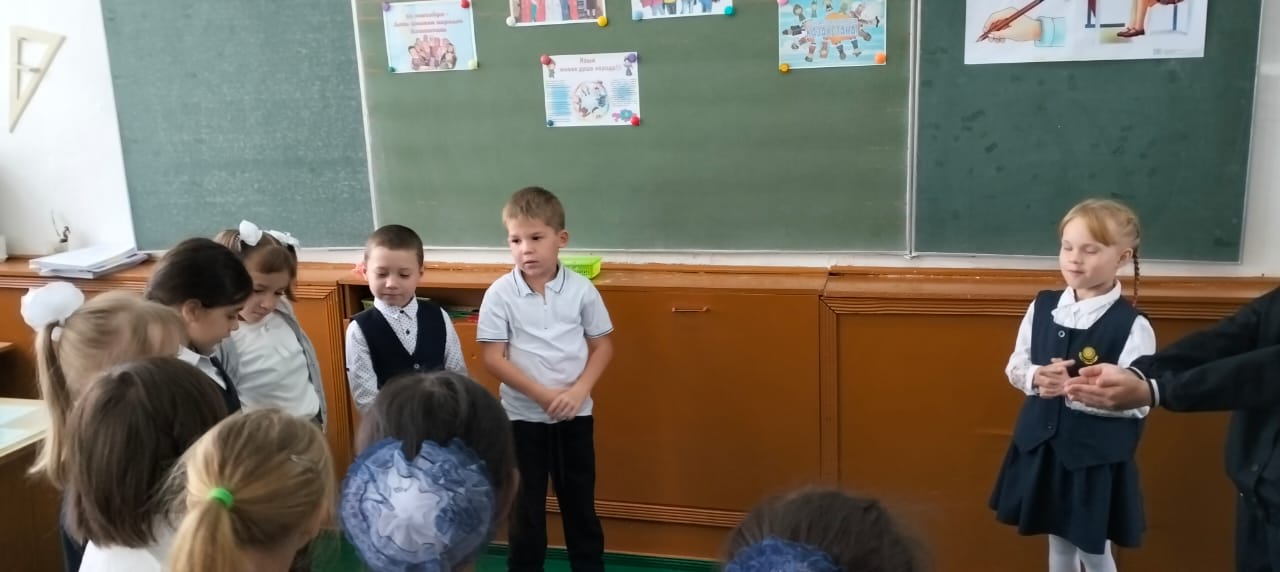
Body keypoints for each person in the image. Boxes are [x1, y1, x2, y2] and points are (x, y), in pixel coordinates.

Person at [989, 198, 1153, 572]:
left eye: (1090, 250)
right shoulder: (1044, 306)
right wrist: (1036, 377)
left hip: (1094, 458)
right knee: (1058, 542)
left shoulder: (1132, 325)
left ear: (1122, 257)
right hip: (1043, 448)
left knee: (1093, 549)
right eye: (1067, 247)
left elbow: (1140, 402)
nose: (1074, 259)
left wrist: (1076, 392)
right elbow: (1017, 364)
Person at [1067, 287, 1280, 572]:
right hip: (1257, 489)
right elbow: (1226, 338)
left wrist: (1157, 390)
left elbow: (1264, 370)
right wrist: (1139, 372)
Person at [478, 186, 614, 572]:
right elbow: (492, 356)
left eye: (536, 238)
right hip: (522, 419)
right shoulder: (500, 294)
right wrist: (540, 394)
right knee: (526, 512)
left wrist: (579, 391)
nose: (526, 249)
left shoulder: (582, 290)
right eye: (515, 240)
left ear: (561, 239)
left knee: (580, 507)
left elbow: (602, 346)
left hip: (575, 416)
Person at [345, 224, 468, 412]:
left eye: (404, 275)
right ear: (365, 272)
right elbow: (366, 399)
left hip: (442, 421)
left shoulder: (439, 316)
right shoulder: (359, 330)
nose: (391, 283)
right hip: (389, 425)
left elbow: (457, 374)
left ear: (420, 273)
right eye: (381, 274)